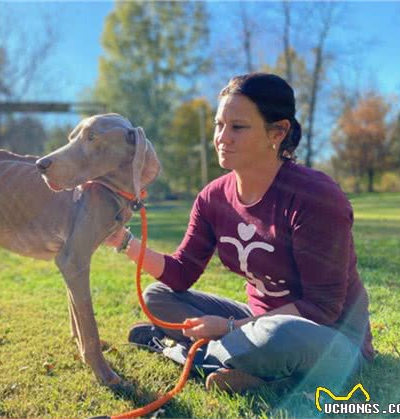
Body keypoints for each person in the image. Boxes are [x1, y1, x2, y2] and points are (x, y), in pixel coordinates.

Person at [105, 73, 374, 393]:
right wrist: (123, 241)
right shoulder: (212, 198)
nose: (222, 137)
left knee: (280, 336)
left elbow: (322, 308)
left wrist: (229, 327)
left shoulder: (316, 197)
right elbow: (181, 273)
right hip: (254, 322)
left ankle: (186, 352)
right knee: (158, 296)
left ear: (278, 132)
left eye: (238, 127)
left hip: (329, 338)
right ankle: (243, 366)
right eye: (219, 125)